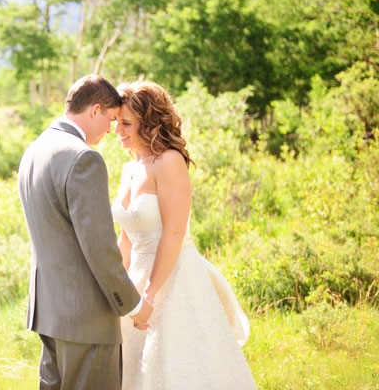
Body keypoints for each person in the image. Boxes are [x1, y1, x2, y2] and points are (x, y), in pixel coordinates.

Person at [111, 80, 256, 389]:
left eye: (126, 123)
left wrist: (149, 295)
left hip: (172, 278)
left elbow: (174, 234)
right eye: (116, 122)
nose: (117, 130)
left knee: (173, 365)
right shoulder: (129, 168)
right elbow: (125, 239)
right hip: (135, 280)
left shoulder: (169, 161)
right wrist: (116, 288)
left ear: (147, 122)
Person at [18, 74, 153, 390]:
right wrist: (133, 304)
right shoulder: (83, 158)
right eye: (109, 118)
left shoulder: (34, 150)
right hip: (86, 319)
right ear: (95, 110)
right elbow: (100, 248)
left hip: (49, 310)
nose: (110, 129)